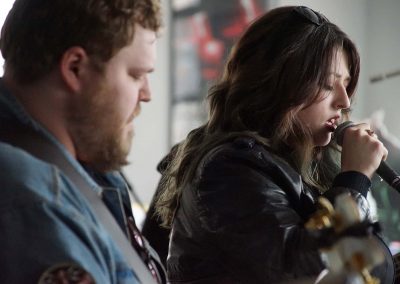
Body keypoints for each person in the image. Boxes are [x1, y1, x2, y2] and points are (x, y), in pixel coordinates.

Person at [155, 6, 395, 283]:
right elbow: (302, 271)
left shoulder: (303, 170)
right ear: (280, 84)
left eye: (346, 85)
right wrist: (355, 179)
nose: (344, 101)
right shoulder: (227, 170)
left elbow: (355, 265)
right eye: (330, 85)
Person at [0, 0, 163, 283]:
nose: (146, 94)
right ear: (75, 68)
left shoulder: (86, 168)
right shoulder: (36, 201)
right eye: (136, 75)